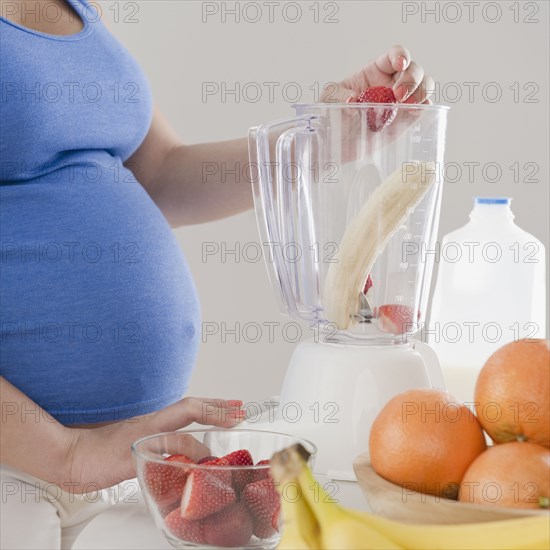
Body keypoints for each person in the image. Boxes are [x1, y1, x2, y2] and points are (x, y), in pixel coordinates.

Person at [0, 0, 434, 547]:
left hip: (135, 460)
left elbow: (160, 174)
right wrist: (68, 456)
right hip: (18, 466)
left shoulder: (76, 8)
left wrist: (325, 140)